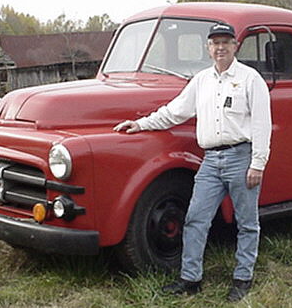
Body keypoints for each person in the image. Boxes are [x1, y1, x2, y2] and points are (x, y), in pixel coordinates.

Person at [113, 22, 272, 302]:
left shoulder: (250, 79)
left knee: (246, 222)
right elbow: (174, 112)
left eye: (225, 42)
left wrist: (257, 163)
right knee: (196, 219)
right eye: (215, 43)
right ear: (208, 48)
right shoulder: (201, 81)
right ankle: (190, 279)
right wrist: (140, 125)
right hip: (210, 161)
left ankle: (243, 277)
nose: (220, 47)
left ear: (235, 46)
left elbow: (262, 124)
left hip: (240, 156)